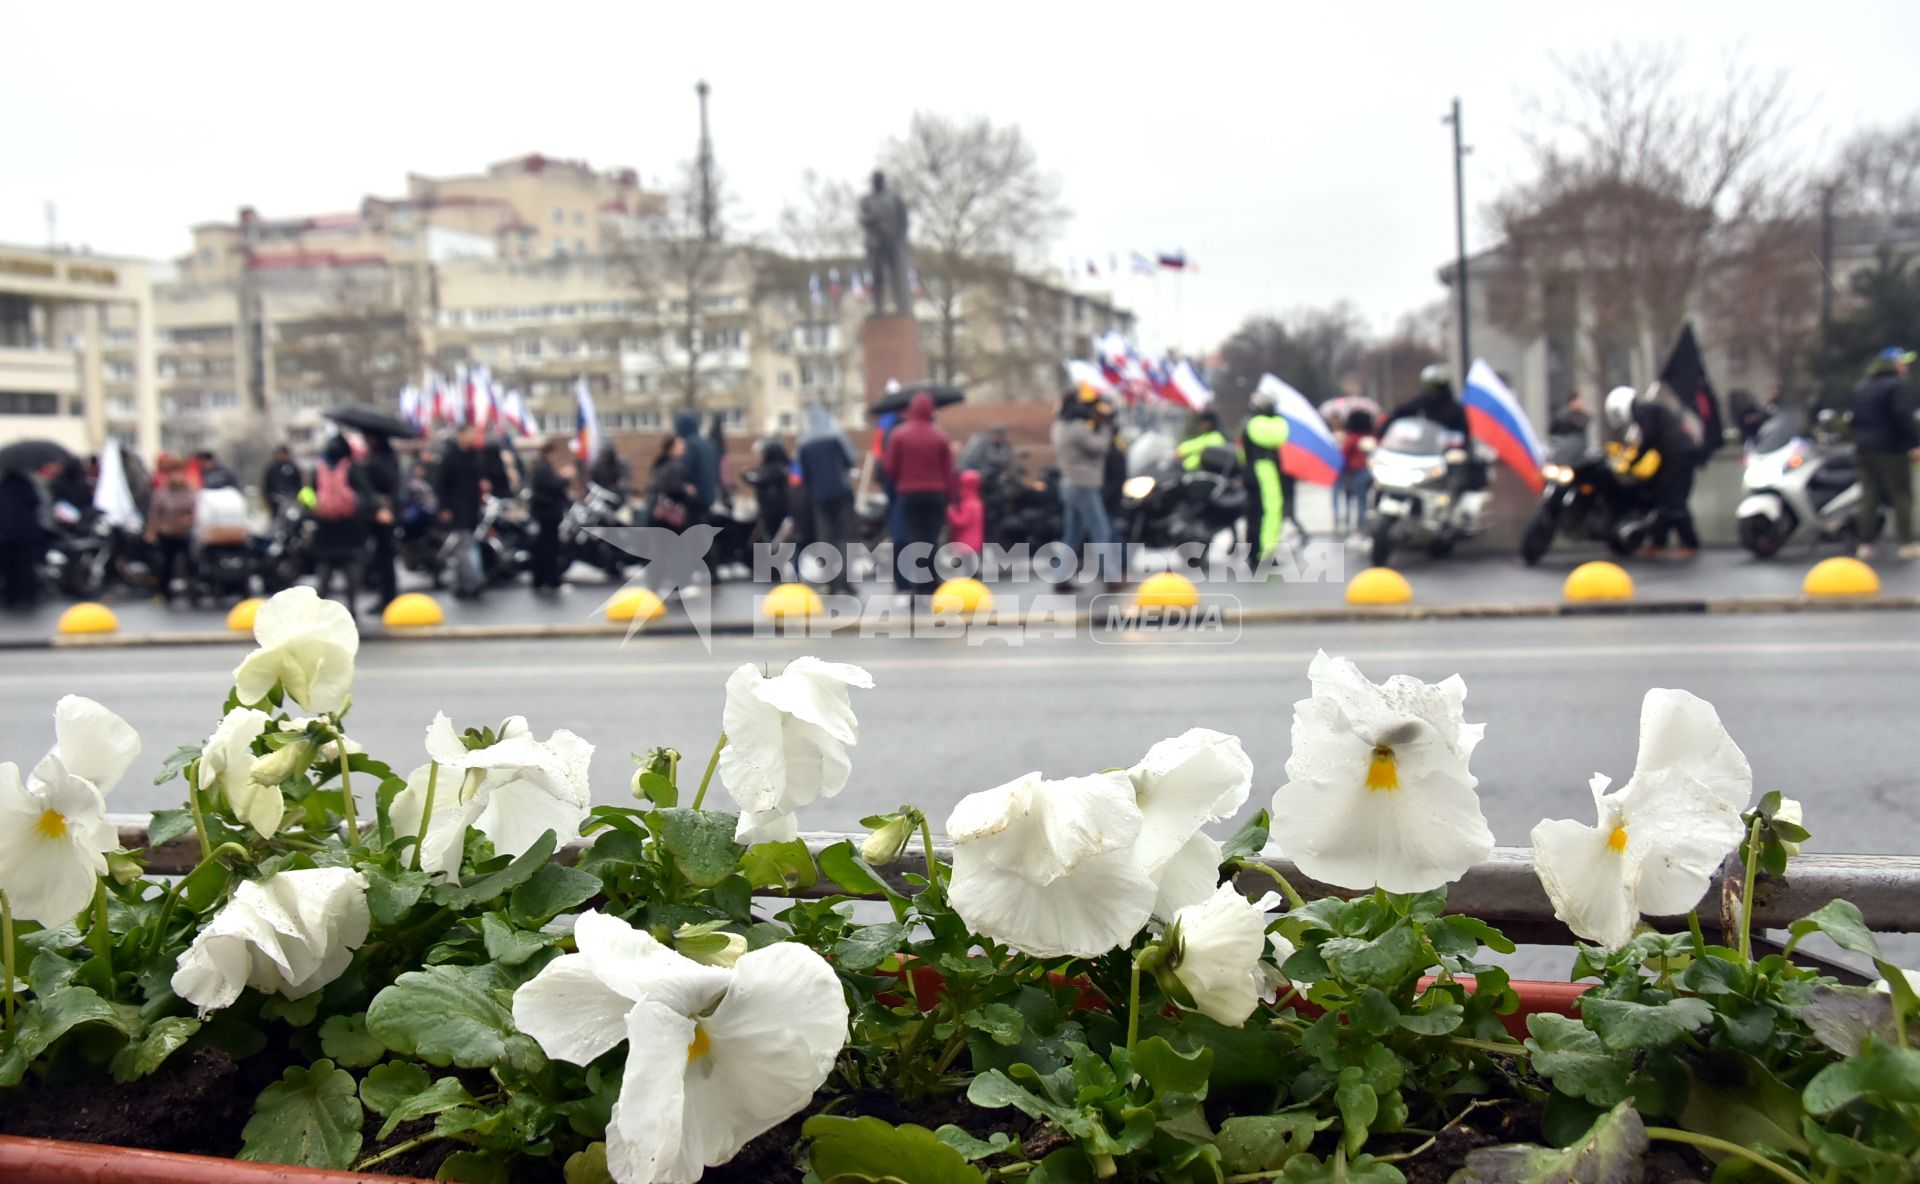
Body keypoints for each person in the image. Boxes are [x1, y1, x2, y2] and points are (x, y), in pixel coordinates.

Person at [1605, 385, 1698, 559]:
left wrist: (1632, 462)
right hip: (1673, 456)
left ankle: (1690, 543)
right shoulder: (1647, 412)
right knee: (1662, 499)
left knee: (1675, 500)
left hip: (1677, 456)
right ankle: (1658, 542)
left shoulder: (1644, 413)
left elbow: (1647, 440)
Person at [884, 392, 955, 599]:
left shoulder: (899, 434)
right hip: (935, 493)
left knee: (914, 537)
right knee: (932, 537)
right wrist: (949, 497)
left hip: (909, 493)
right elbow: (948, 469)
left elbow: (890, 466)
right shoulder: (939, 435)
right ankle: (931, 582)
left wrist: (901, 482)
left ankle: (916, 581)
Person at [1850, 347, 1919, 561]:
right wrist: (1915, 444)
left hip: (1864, 450)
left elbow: (1854, 419)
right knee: (1901, 495)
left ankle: (1866, 543)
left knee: (1869, 496)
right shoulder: (1897, 386)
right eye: (1902, 362)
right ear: (1893, 364)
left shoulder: (1862, 386)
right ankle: (1907, 543)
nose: (1906, 366)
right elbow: (1903, 418)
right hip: (1891, 449)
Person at [1051, 390, 1119, 589]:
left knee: (1072, 534)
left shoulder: (1059, 426)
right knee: (1101, 531)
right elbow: (1099, 447)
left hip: (1069, 484)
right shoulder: (1078, 428)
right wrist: (1105, 427)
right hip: (1084, 485)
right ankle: (1110, 576)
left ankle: (1060, 577)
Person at [797, 404, 858, 595]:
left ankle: (830, 582)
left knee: (825, 539)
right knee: (845, 537)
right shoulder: (836, 435)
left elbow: (803, 473)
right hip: (841, 493)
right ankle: (845, 581)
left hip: (818, 497)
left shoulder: (804, 442)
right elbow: (851, 459)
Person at [310, 435, 374, 617]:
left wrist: (312, 509)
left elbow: (308, 493)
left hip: (325, 528)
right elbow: (366, 494)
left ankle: (318, 613)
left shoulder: (319, 469)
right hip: (350, 528)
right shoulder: (352, 468)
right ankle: (351, 610)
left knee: (324, 576)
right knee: (351, 574)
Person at [1240, 387, 1292, 564]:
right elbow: (1279, 434)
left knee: (1256, 512)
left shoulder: (1251, 421)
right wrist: (1279, 419)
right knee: (1269, 509)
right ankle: (1263, 549)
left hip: (1256, 470)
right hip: (1262, 470)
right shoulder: (1258, 423)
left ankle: (1256, 550)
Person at [436, 425, 489, 597]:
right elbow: (442, 484)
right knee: (465, 546)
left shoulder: (474, 456)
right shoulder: (450, 457)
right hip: (457, 508)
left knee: (464, 546)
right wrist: (444, 507)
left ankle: (462, 583)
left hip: (472, 508)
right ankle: (473, 581)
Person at [145, 456, 197, 605]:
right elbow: (154, 513)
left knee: (191, 563)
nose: (177, 477)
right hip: (167, 534)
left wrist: (190, 519)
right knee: (166, 564)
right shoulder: (161, 493)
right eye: (174, 473)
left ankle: (193, 592)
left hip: (185, 533)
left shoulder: (190, 490)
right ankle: (163, 593)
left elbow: (196, 508)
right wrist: (151, 531)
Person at [528, 439, 577, 592]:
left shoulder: (543, 467)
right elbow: (554, 487)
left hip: (546, 514)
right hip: (548, 514)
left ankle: (540, 580)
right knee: (549, 549)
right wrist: (565, 477)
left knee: (544, 548)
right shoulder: (543, 468)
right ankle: (551, 580)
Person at [362, 434, 402, 611]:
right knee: (382, 557)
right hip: (380, 512)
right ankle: (385, 595)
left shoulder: (382, 458)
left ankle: (388, 597)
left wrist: (367, 466)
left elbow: (386, 480)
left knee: (385, 557)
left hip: (385, 512)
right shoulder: (378, 456)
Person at [0, 464, 45, 608]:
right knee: (26, 564)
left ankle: (11, 595)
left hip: (7, 533)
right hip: (26, 532)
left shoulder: (3, 485)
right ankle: (28, 593)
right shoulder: (27, 484)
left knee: (9, 566)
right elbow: (36, 502)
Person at [1336, 409, 1377, 535]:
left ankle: (1360, 528)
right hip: (1372, 472)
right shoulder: (1372, 437)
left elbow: (1343, 455)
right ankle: (1368, 526)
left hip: (1356, 472)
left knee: (1359, 502)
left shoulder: (1352, 438)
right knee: (1368, 502)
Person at [675, 410, 719, 517]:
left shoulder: (689, 445)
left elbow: (683, 469)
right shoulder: (709, 444)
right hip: (709, 496)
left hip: (693, 498)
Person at [947, 468, 985, 562]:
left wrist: (950, 512)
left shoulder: (967, 504)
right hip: (975, 542)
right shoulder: (977, 502)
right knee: (972, 565)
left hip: (965, 543)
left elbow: (961, 521)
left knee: (967, 567)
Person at [262, 446, 304, 514]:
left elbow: (298, 483)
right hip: (275, 500)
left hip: (291, 500)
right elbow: (267, 484)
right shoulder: (272, 468)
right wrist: (267, 498)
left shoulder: (293, 467)